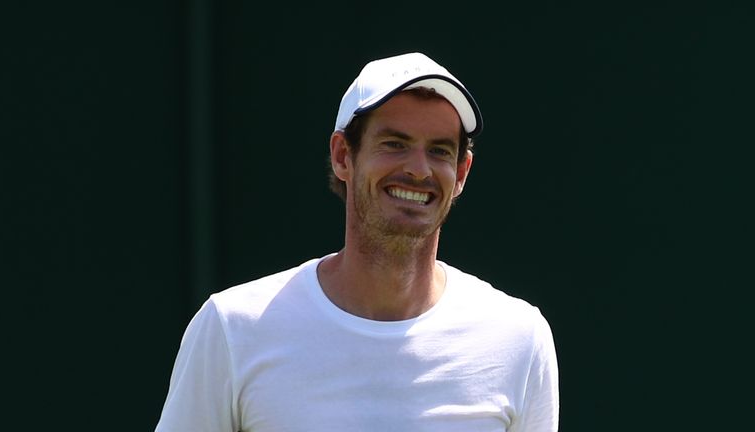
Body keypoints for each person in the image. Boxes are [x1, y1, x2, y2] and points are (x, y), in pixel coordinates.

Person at [155, 52, 559, 431]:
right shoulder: (232, 328)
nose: (418, 170)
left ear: (462, 173)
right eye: (394, 144)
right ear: (342, 156)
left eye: (439, 151)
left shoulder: (518, 339)